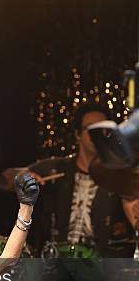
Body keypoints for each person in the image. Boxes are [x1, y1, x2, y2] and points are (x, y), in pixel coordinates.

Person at [29, 102, 139, 258]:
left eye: (103, 130)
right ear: (78, 134)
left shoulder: (119, 175)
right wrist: (23, 178)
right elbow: (11, 176)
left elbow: (133, 209)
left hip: (101, 269)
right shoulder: (56, 167)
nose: (98, 134)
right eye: (91, 129)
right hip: (54, 264)